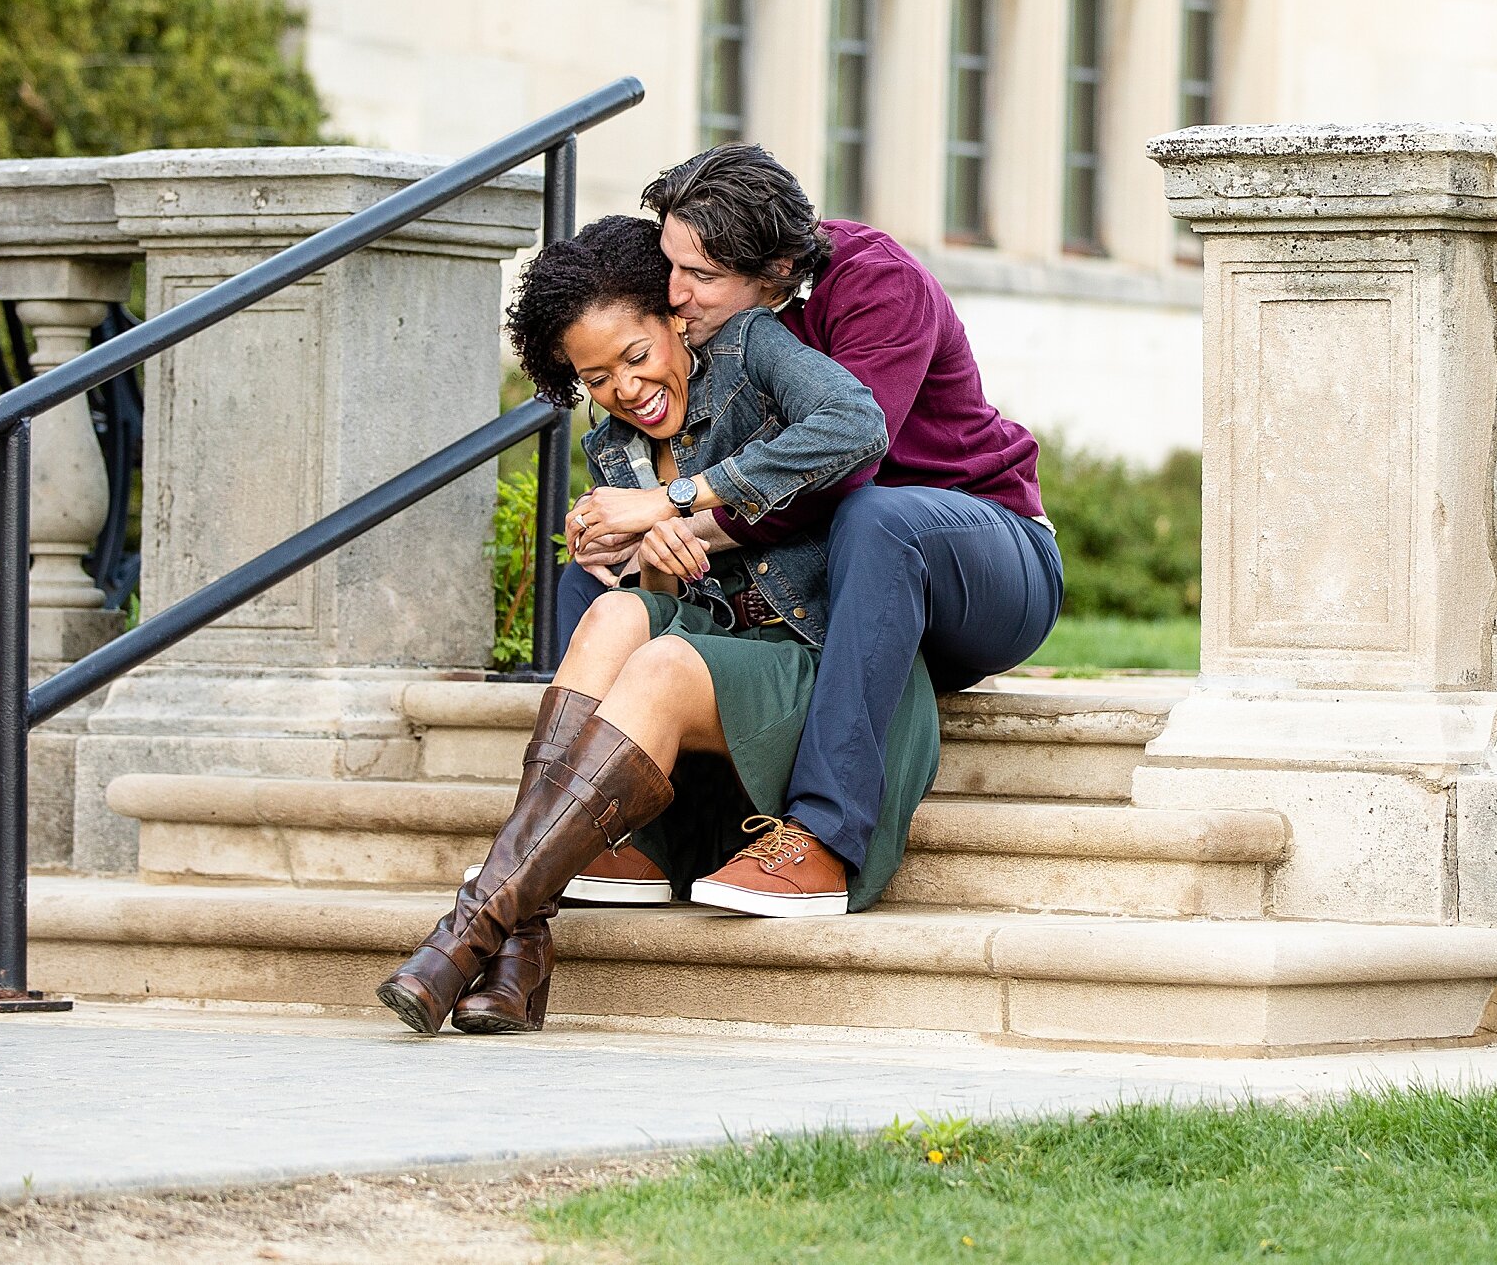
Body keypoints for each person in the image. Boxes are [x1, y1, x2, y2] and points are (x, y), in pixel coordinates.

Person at [377, 215, 938, 1037]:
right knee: (611, 612)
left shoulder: (754, 354)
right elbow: (663, 601)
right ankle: (515, 933)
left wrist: (685, 504)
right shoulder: (613, 449)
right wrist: (648, 560)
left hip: (820, 658)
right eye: (597, 377)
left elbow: (852, 429)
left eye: (636, 357)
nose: (626, 389)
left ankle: (475, 929)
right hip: (718, 677)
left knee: (665, 661)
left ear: (676, 319)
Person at [558, 144, 1061, 914]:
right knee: (598, 578)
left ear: (779, 263)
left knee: (878, 515)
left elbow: (840, 472)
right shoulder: (728, 323)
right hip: (852, 584)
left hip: (987, 559)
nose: (676, 294)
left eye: (700, 276)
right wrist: (627, 540)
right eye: (671, 264)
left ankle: (827, 837)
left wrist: (672, 504)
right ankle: (614, 831)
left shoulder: (876, 283)